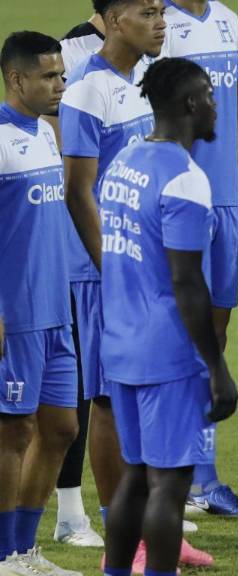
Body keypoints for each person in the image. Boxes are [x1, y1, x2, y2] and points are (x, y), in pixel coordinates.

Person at [98, 57, 238, 576]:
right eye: (210, 95)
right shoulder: (185, 178)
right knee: (171, 483)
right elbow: (186, 281)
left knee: (135, 476)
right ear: (190, 104)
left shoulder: (126, 162)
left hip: (121, 344)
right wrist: (216, 366)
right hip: (167, 353)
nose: (216, 104)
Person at [53, 0, 160, 550]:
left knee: (139, 394)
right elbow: (78, 190)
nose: (161, 23)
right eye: (148, 13)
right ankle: (124, 537)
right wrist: (111, 268)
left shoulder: (136, 79)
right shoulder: (89, 88)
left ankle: (143, 523)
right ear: (116, 20)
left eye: (161, 12)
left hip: (136, 262)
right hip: (101, 271)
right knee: (109, 399)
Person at [161, 0, 238, 518]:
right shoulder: (157, 27)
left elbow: (237, 106)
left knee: (216, 336)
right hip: (182, 202)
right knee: (181, 336)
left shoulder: (229, 21)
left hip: (224, 199)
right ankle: (180, 476)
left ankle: (202, 478)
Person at [0, 32, 81, 576]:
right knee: (14, 432)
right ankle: (3, 554)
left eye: (61, 75)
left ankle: (22, 550)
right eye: (49, 76)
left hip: (56, 308)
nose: (60, 85)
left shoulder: (48, 133)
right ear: (16, 78)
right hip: (18, 314)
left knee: (61, 429)